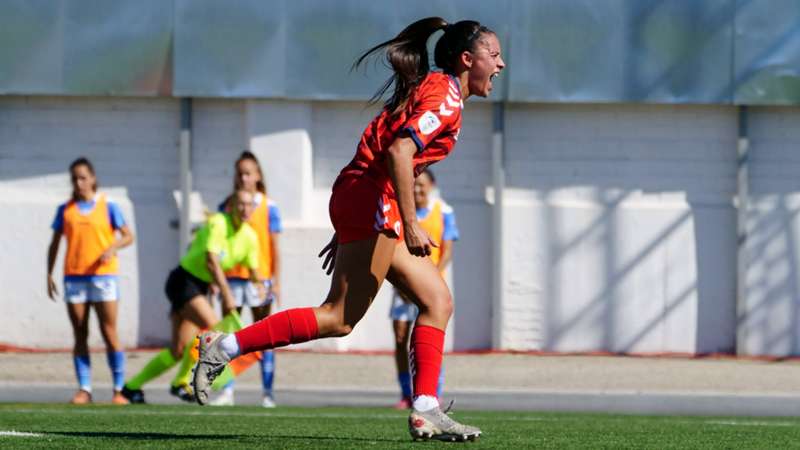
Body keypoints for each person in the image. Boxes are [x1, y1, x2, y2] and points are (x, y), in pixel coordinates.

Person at [194, 17, 504, 442]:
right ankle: (223, 347)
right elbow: (399, 151)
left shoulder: (437, 88)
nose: (501, 64)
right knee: (338, 318)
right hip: (374, 199)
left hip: (367, 198)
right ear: (468, 59)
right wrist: (410, 223)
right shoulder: (445, 98)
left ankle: (426, 407)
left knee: (436, 300)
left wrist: (354, 220)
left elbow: (386, 149)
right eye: (495, 54)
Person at [120, 189, 262, 404]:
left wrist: (262, 287)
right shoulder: (218, 223)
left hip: (201, 287)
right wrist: (226, 293)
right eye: (240, 204)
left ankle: (131, 388)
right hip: (183, 281)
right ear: (231, 206)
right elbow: (211, 261)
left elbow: (254, 272)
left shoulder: (250, 237)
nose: (245, 209)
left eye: (249, 204)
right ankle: (181, 383)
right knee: (213, 327)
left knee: (179, 350)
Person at [47, 157, 135, 405]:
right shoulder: (66, 210)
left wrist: (113, 247)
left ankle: (119, 389)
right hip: (74, 277)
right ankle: (84, 388)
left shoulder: (108, 206)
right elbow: (54, 243)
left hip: (103, 276)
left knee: (109, 332)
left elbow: (128, 236)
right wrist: (49, 273)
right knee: (80, 333)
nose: (79, 182)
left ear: (93, 178)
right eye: (75, 178)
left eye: (83, 177)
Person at [208, 151, 282, 408]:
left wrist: (275, 281)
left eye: (248, 173)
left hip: (258, 280)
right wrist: (214, 281)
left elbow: (274, 247)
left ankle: (267, 392)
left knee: (267, 333)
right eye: (240, 173)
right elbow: (215, 242)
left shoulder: (269, 206)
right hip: (231, 279)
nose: (243, 177)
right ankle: (227, 390)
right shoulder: (227, 205)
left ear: (258, 176)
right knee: (228, 335)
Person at [390, 168, 458, 409]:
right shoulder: (400, 209)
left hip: (429, 284)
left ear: (432, 186)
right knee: (400, 338)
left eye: (422, 185)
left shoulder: (444, 211)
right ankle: (406, 392)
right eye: (413, 184)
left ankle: (431, 393)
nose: (417, 189)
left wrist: (429, 279)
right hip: (401, 285)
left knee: (429, 334)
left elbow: (447, 250)